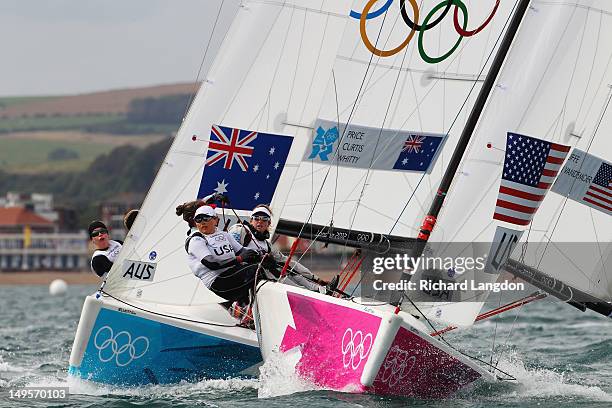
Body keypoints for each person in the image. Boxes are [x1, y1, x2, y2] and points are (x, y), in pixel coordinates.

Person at [228, 204, 339, 295]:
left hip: (261, 277)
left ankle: (318, 289)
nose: (260, 221)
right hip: (244, 276)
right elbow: (228, 252)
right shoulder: (240, 230)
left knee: (287, 268)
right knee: (274, 270)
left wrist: (316, 278)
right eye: (256, 218)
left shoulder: (267, 245)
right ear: (251, 220)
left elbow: (289, 262)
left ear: (269, 223)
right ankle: (308, 294)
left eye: (264, 219)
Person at [182, 205, 261, 313]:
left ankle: (245, 307)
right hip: (218, 280)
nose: (202, 222)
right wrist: (239, 259)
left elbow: (242, 250)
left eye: (206, 218)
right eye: (198, 219)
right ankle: (242, 307)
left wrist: (259, 253)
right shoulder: (196, 239)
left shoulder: (223, 234)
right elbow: (212, 263)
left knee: (263, 265)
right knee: (257, 270)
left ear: (215, 220)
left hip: (232, 273)